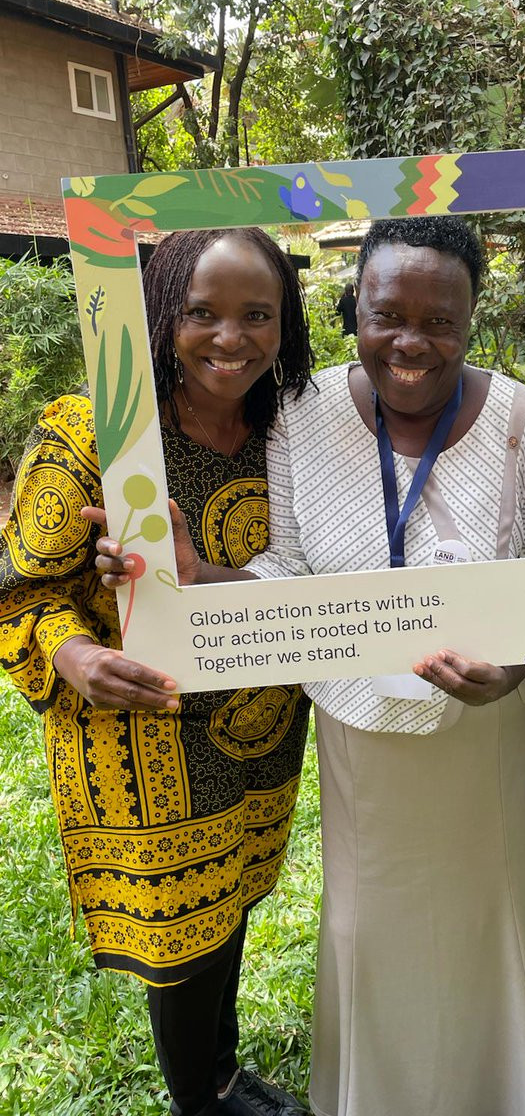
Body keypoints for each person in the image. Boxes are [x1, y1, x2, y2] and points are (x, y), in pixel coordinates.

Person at [98, 215, 525, 1116]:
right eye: (387, 315)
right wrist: (201, 577)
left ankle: (494, 1083)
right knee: (374, 922)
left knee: (481, 910)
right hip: (357, 728)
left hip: (483, 731)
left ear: (472, 319)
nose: (411, 342)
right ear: (353, 308)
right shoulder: (304, 411)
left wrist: (516, 676)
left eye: (440, 321)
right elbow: (288, 566)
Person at [0, 228, 316, 1116]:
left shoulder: (289, 431)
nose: (231, 337)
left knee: (233, 902)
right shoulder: (97, 432)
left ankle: (221, 1072)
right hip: (144, 733)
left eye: (257, 314)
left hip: (260, 729)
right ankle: (199, 1102)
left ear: (285, 323)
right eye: (201, 312)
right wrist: (75, 655)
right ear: (161, 315)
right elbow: (20, 587)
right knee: (183, 936)